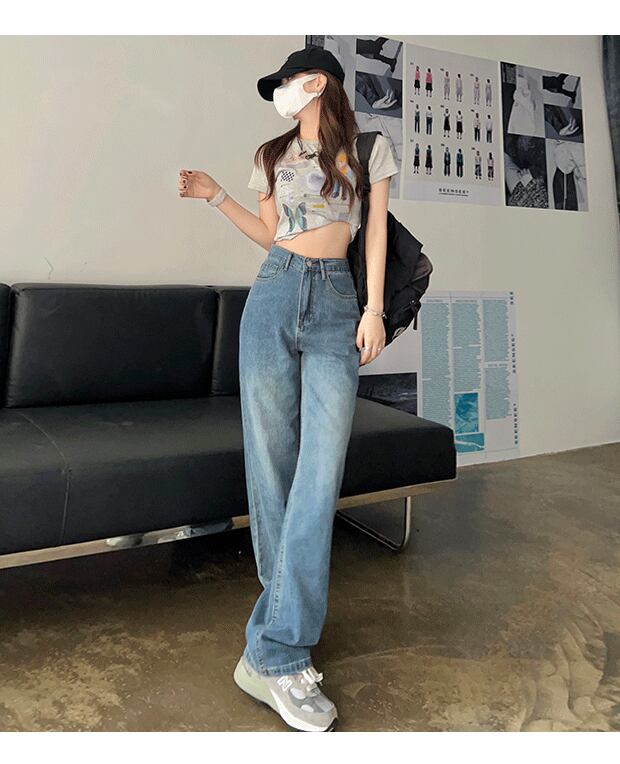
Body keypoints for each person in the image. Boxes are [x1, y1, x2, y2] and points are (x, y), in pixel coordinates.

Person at [178, 45, 399, 732]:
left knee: (318, 473)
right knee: (270, 468)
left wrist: (373, 310)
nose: (281, 93)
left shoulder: (368, 149)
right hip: (274, 294)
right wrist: (218, 196)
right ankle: (283, 649)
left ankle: (271, 650)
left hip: (336, 303)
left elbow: (375, 231)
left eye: (288, 82)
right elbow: (271, 234)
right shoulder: (271, 153)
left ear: (318, 82)